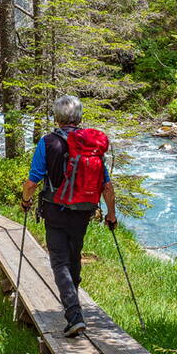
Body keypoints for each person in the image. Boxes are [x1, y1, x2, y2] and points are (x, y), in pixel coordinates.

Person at [21, 95, 117, 337]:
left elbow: (33, 181)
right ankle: (73, 305)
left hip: (55, 210)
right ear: (79, 118)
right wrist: (111, 215)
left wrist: (25, 201)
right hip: (84, 210)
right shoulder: (91, 146)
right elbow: (107, 186)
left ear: (56, 117)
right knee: (73, 256)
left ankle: (74, 315)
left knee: (59, 261)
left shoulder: (48, 142)